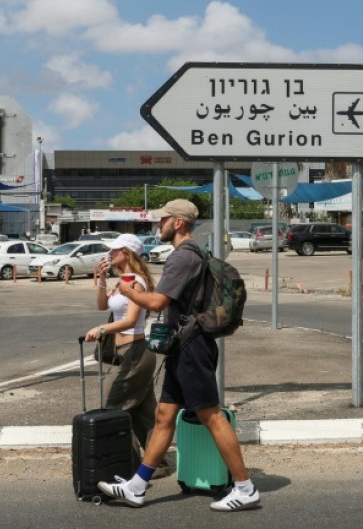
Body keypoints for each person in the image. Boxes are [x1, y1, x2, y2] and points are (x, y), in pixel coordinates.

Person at [96, 199, 260, 512]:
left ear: (178, 223)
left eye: (163, 220)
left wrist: (129, 292)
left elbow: (156, 302)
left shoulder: (182, 258)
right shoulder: (189, 255)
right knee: (164, 416)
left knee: (210, 415)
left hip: (191, 347)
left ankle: (245, 487)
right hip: (182, 345)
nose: (158, 225)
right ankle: (136, 486)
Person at [83, 233, 160, 467]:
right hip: (129, 352)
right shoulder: (123, 281)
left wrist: (102, 329)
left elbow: (130, 320)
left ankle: (131, 464)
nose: (110, 254)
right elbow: (101, 305)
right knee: (143, 414)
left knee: (112, 407)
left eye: (114, 250)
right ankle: (157, 464)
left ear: (127, 253)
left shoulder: (137, 282)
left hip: (135, 351)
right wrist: (102, 280)